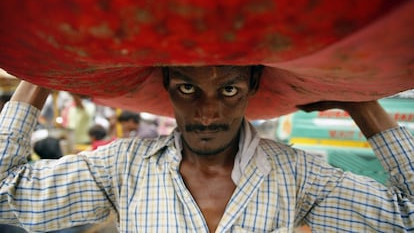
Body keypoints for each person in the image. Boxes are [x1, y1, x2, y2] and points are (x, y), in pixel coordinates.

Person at [0, 65, 413, 232]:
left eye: (229, 89)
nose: (209, 112)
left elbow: (406, 215)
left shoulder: (295, 174)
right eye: (187, 88)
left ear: (252, 86)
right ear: (167, 88)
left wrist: (361, 103)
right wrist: (43, 73)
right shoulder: (123, 166)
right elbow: (6, 192)